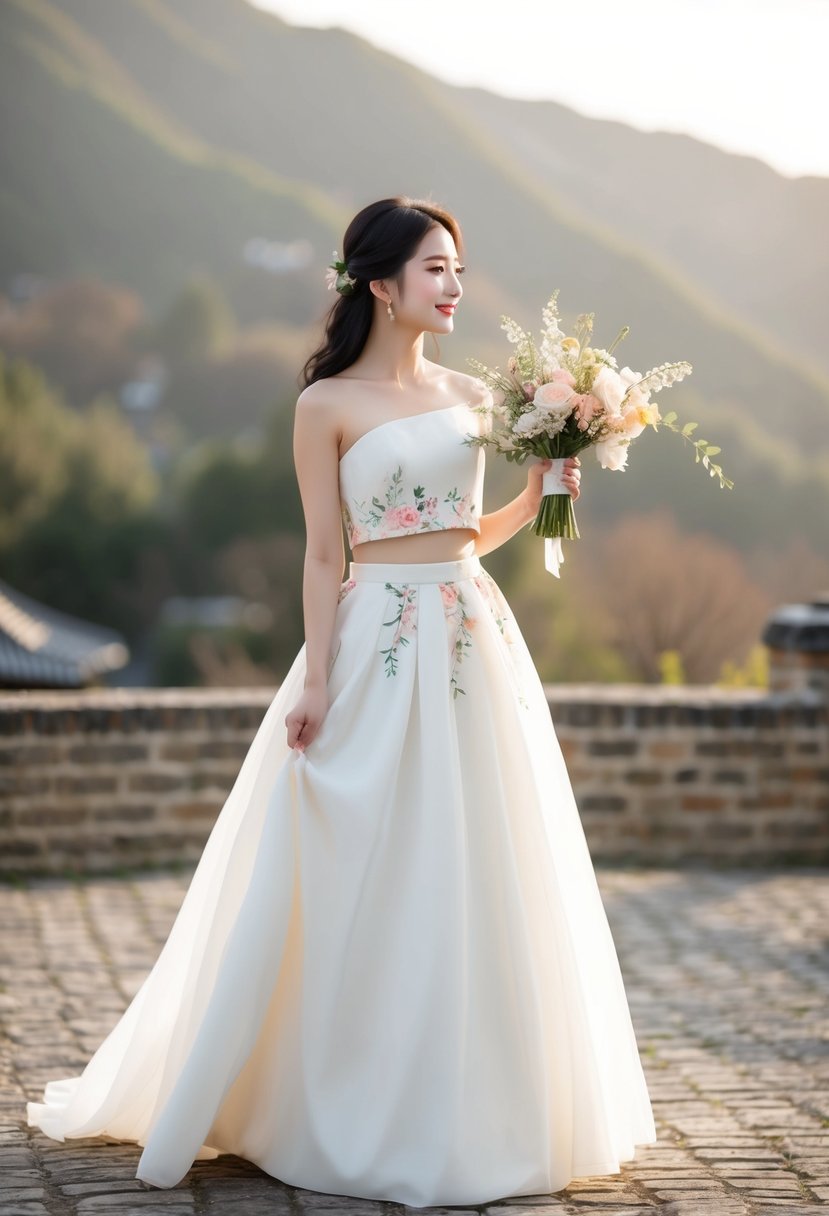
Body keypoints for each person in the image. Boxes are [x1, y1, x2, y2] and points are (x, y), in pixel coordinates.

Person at [26, 195, 657, 1207]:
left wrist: (548, 495)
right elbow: (329, 552)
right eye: (436, 268)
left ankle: (475, 1103)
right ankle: (323, 1092)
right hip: (374, 638)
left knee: (474, 857)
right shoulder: (325, 404)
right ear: (379, 282)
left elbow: (465, 535)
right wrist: (318, 675)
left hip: (471, 635)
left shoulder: (469, 393)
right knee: (347, 852)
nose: (453, 284)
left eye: (457, 267)